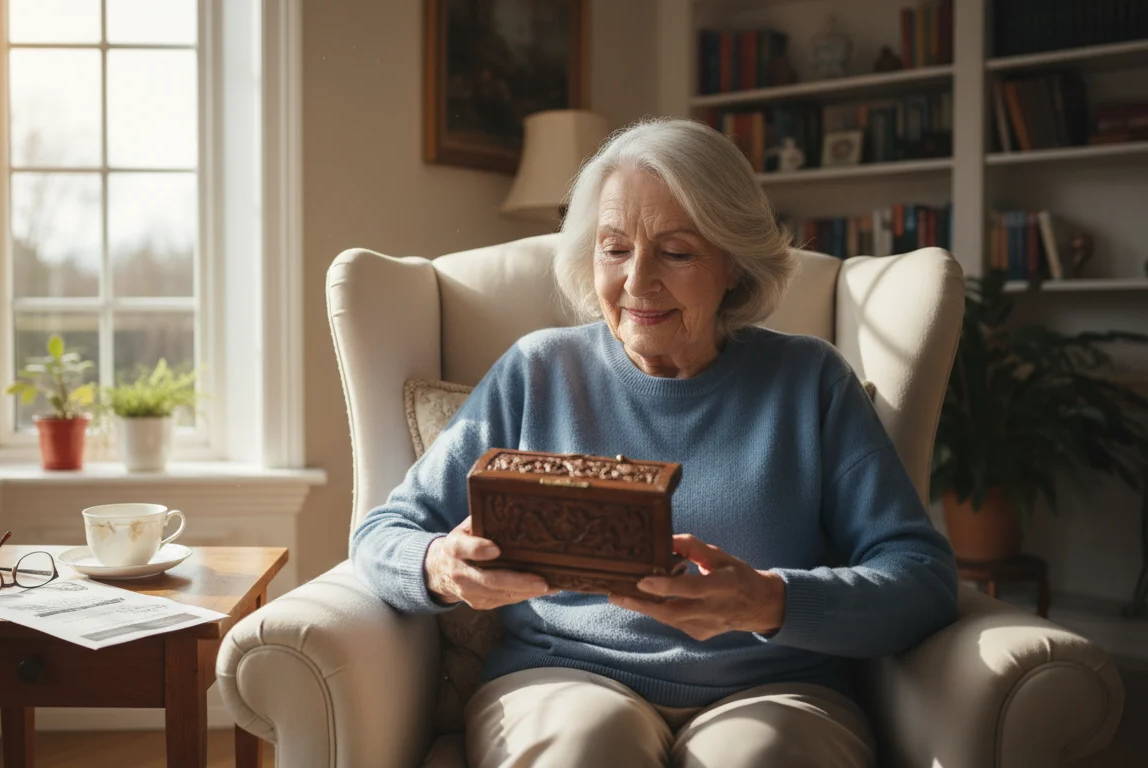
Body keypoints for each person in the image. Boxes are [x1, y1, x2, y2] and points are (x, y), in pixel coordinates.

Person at [349, 118, 959, 768]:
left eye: (677, 251)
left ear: (734, 264)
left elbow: (922, 580)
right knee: (587, 749)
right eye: (614, 248)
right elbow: (381, 533)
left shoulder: (809, 382)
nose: (637, 281)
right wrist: (441, 565)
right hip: (562, 679)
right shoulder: (537, 372)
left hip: (774, 688)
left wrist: (772, 600)